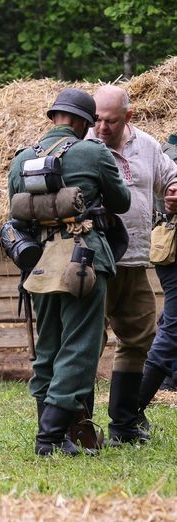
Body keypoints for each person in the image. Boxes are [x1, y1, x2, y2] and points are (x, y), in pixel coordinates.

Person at [8, 88, 131, 456]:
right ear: (82, 122)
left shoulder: (22, 160)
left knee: (47, 348)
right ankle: (49, 438)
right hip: (83, 259)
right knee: (80, 347)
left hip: (42, 261)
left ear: (53, 118)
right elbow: (122, 201)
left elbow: (16, 214)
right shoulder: (93, 152)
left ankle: (55, 433)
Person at [91, 86, 177, 445]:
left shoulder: (149, 146)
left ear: (129, 117)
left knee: (140, 337)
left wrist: (174, 191)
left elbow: (169, 177)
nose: (101, 127)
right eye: (96, 118)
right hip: (95, 261)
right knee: (89, 342)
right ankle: (74, 424)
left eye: (110, 120)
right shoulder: (85, 147)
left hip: (136, 259)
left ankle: (124, 425)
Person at [137, 133, 177, 428]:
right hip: (173, 250)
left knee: (171, 320)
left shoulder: (162, 150)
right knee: (174, 325)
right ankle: (132, 406)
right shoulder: (169, 153)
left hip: (168, 250)